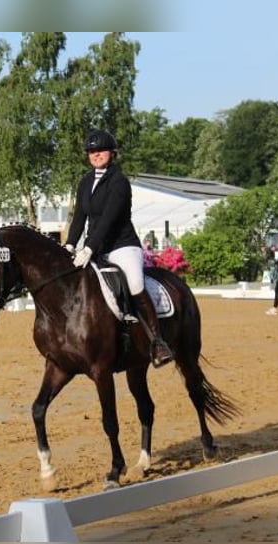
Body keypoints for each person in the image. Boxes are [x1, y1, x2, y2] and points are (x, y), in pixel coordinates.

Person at [64, 128, 174, 368]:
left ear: (112, 153)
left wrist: (89, 247)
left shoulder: (119, 182)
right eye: (92, 151)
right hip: (95, 248)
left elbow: (109, 219)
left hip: (122, 246)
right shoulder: (85, 182)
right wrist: (71, 245)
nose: (96, 154)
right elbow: (79, 217)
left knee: (134, 284)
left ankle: (157, 342)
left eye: (100, 150)